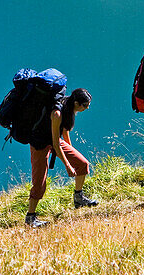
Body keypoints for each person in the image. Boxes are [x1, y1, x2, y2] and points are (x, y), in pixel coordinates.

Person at [25, 88, 98, 228]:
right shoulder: (57, 113)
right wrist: (67, 165)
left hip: (54, 140)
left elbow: (64, 131)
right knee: (40, 182)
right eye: (85, 105)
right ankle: (30, 218)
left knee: (83, 164)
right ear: (77, 103)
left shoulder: (69, 107)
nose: (87, 108)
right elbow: (55, 144)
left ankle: (78, 198)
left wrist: (71, 153)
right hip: (40, 144)